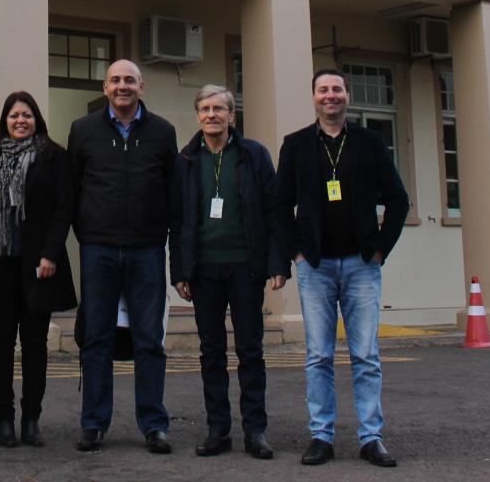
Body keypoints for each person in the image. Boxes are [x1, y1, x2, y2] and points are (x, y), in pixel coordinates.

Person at [273, 68, 409, 468]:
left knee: (366, 355)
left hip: (361, 265)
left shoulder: (370, 143)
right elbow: (279, 205)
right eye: (323, 90)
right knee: (318, 356)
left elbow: (399, 200)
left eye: (336, 89)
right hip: (315, 267)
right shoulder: (296, 145)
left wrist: (381, 249)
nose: (330, 96)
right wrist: (296, 253)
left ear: (347, 96)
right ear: (313, 97)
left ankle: (371, 437)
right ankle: (321, 436)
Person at [169, 84, 288, 460]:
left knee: (250, 350)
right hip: (203, 269)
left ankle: (256, 430)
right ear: (198, 116)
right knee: (211, 352)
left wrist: (276, 263)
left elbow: (273, 211)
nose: (211, 115)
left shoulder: (253, 154)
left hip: (246, 267)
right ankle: (217, 429)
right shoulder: (186, 159)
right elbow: (178, 218)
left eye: (219, 109)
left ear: (232, 116)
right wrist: (179, 271)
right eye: (204, 109)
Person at [68, 58, 178, 454]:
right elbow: (73, 191)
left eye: (129, 80)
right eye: (115, 80)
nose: (122, 86)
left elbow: (173, 195)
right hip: (97, 249)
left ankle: (154, 424)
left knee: (149, 339)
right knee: (96, 339)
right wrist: (88, 234)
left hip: (147, 249)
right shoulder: (83, 131)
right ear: (104, 87)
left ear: (142, 87)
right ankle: (94, 424)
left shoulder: (163, 132)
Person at [0, 91, 77, 449]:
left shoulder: (54, 156)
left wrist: (51, 253)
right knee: (0, 345)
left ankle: (31, 417)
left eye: (27, 115)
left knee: (34, 345)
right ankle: (3, 417)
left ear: (37, 119)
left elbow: (64, 208)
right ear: (4, 120)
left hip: (39, 266)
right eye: (14, 115)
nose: (21, 121)